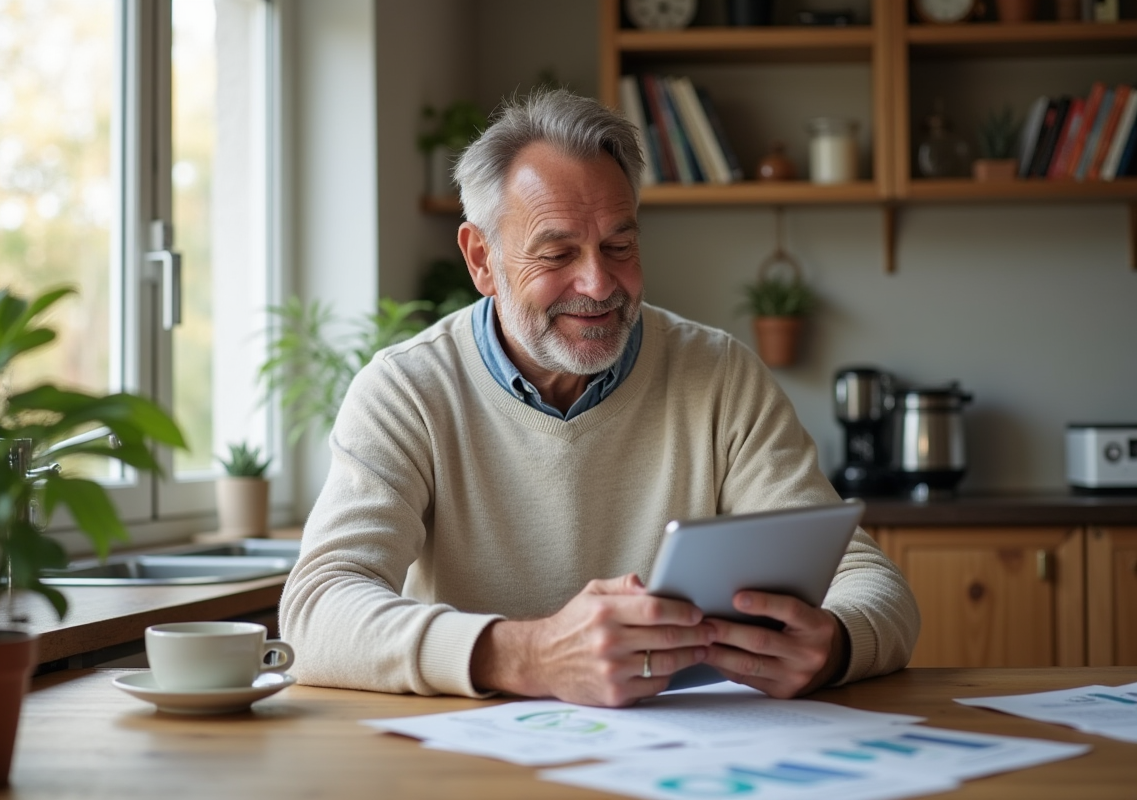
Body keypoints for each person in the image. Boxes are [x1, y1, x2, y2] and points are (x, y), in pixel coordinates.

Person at [279, 89, 919, 708]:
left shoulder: (719, 375)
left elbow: (868, 581)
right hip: (475, 761)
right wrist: (529, 656)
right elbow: (316, 611)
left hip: (685, 755)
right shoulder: (407, 390)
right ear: (482, 260)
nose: (599, 282)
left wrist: (834, 645)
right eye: (557, 252)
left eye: (620, 245)